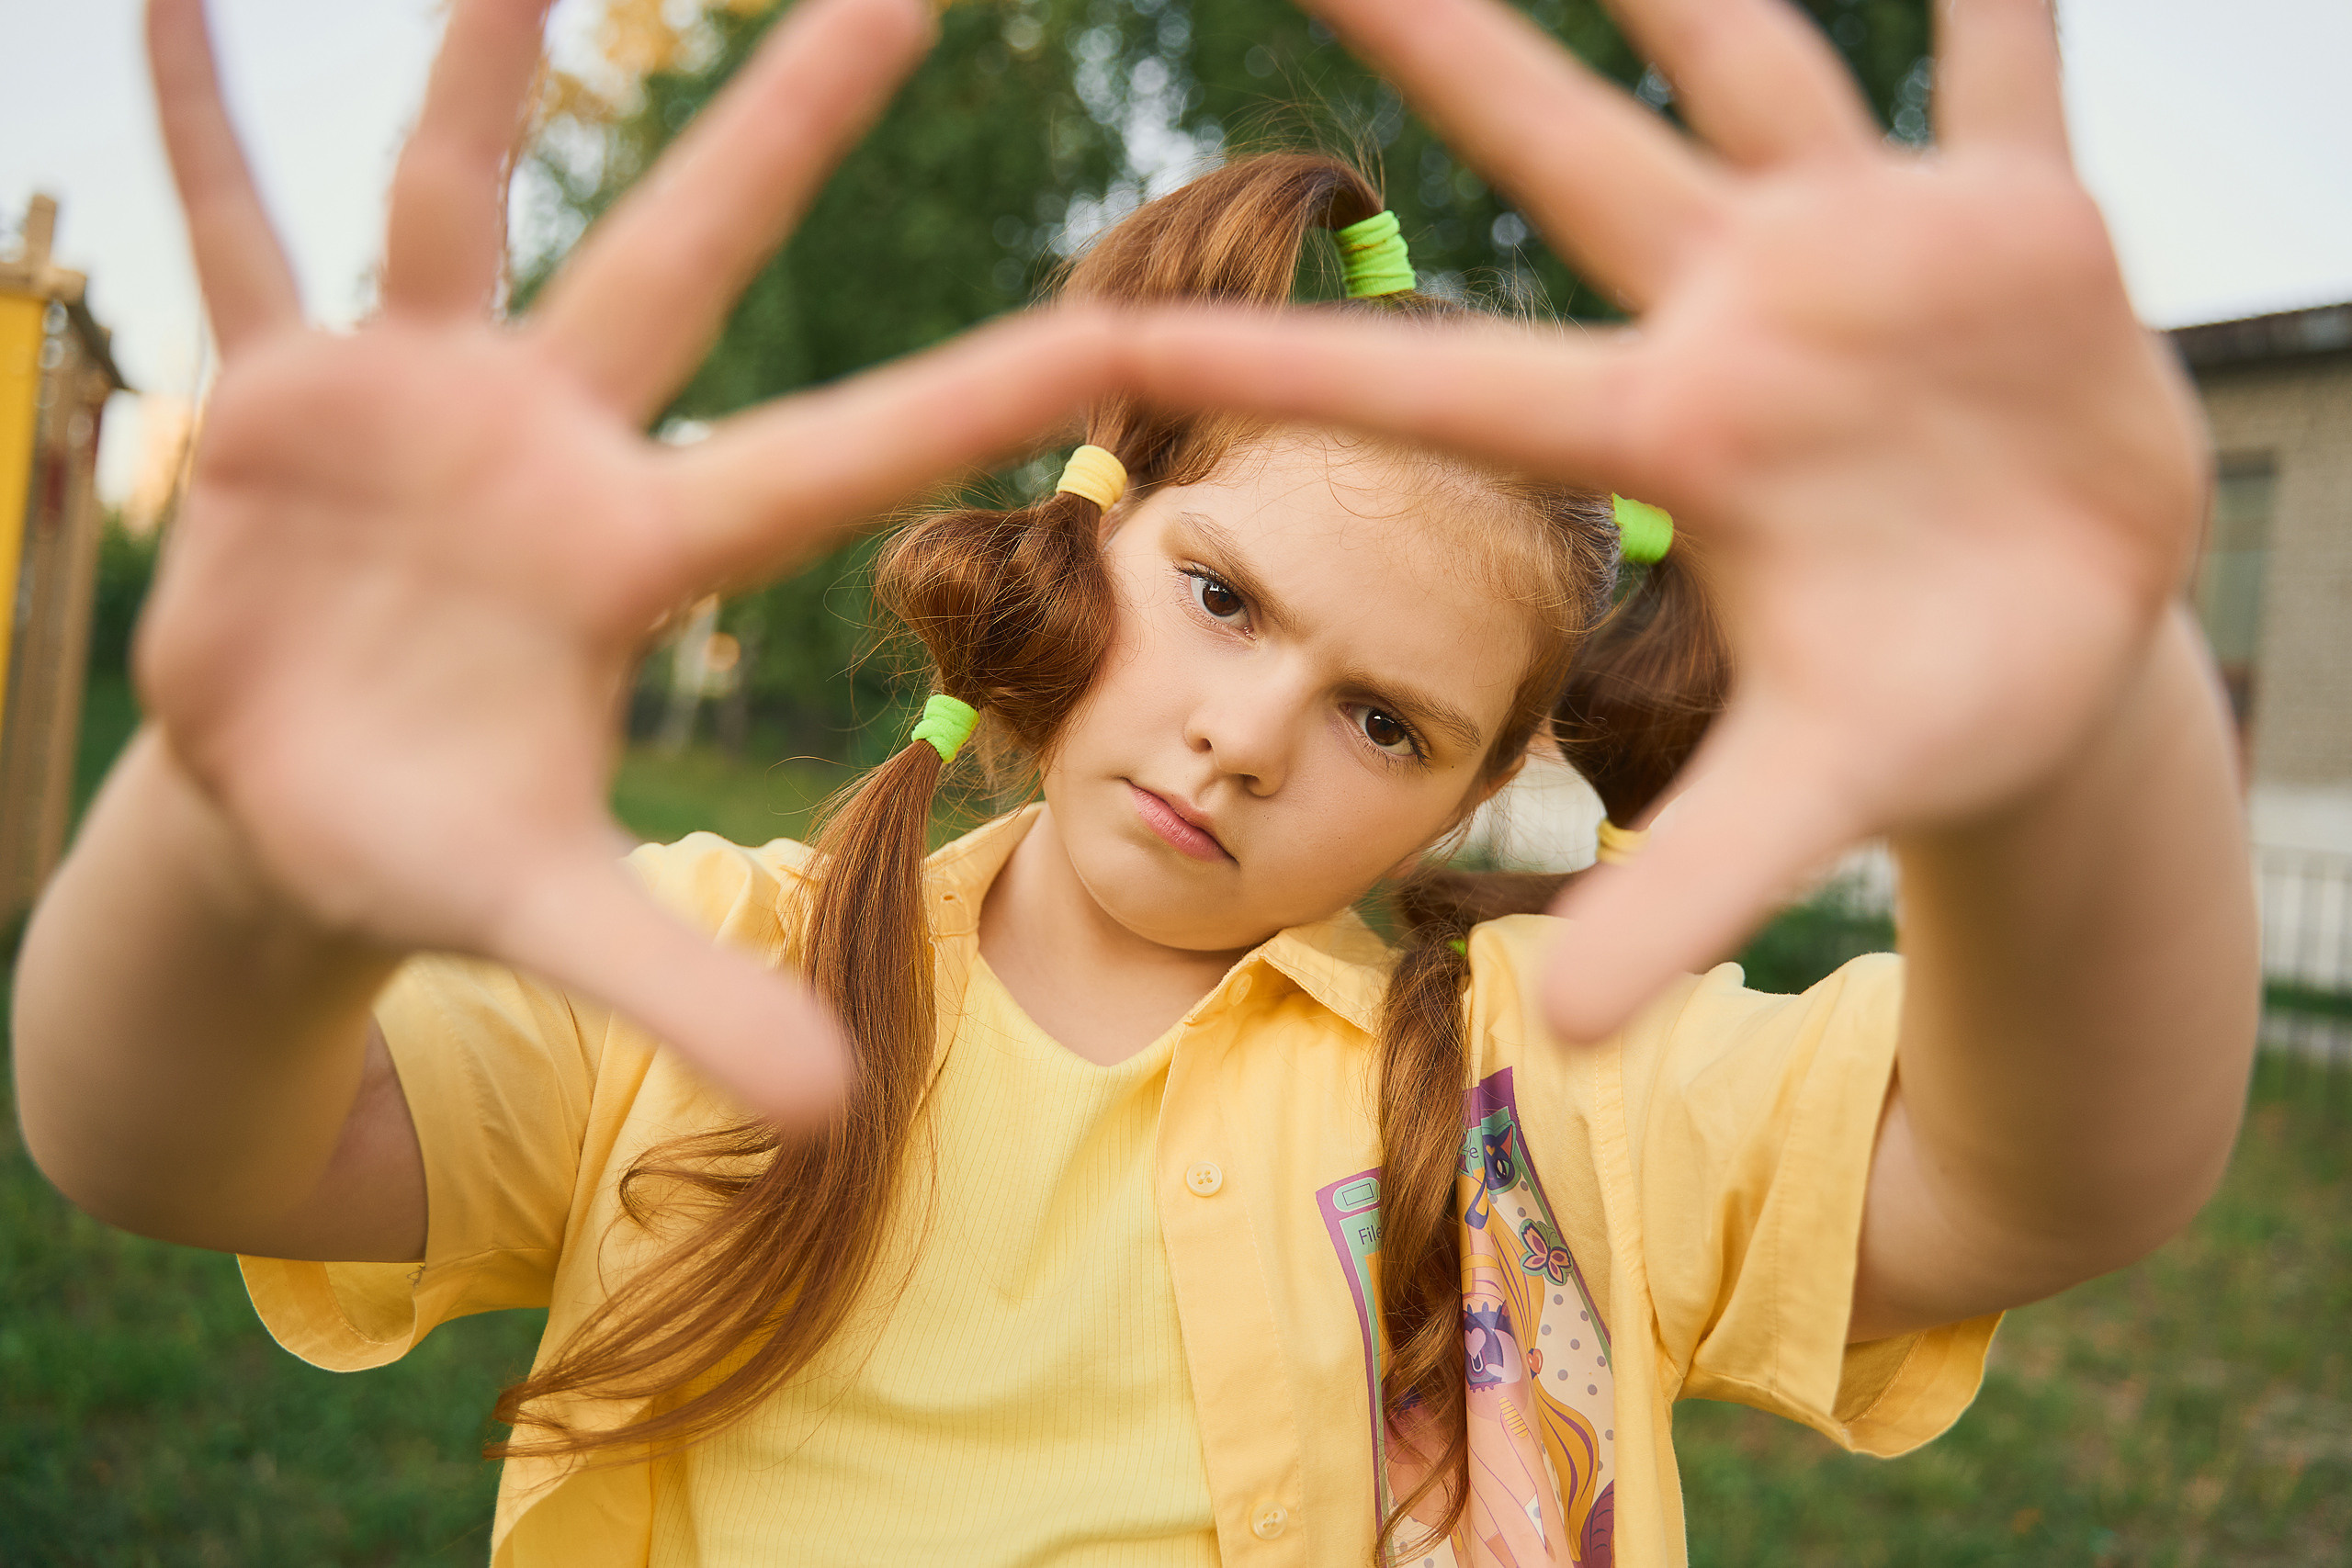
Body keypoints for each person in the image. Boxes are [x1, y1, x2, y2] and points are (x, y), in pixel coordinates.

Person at [12, 0, 2260, 1563]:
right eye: (1220, 594)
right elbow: (161, 1134)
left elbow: (2042, 1174)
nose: (1252, 729)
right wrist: (237, 838)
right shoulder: (712, 977)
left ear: (1483, 787)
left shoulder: (1538, 1087)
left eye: (1387, 721)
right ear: (1089, 533)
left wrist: (2084, 725)